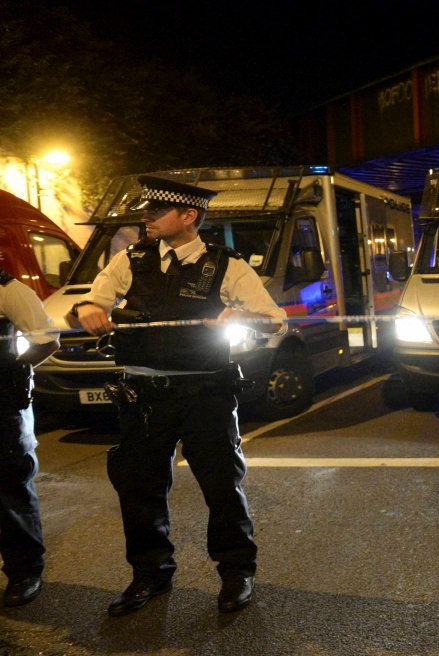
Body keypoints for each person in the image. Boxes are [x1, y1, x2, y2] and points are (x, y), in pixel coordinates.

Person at [65, 176, 287, 617]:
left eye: (156, 212)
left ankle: (236, 572)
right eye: (146, 211)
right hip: (142, 394)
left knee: (222, 486)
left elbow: (275, 322)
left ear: (188, 216)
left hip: (205, 392)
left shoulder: (228, 266)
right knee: (139, 487)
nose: (146, 218)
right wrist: (88, 309)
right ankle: (150, 573)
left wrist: (244, 316)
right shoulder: (129, 260)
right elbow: (91, 304)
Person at [0, 273, 58, 607]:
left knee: (11, 489)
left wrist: (13, 374)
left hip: (2, 406)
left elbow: (47, 340)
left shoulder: (10, 290)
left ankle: (24, 572)